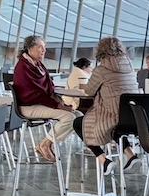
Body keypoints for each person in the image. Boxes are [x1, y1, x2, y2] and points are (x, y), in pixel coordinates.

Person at [12, 34, 76, 163]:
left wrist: (60, 102)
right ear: (30, 48)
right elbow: (36, 94)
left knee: (78, 115)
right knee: (70, 117)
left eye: (44, 47)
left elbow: (49, 86)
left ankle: (46, 143)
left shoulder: (38, 65)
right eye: (40, 47)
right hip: (28, 107)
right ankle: (45, 144)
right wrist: (58, 106)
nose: (44, 50)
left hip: (40, 104)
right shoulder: (23, 67)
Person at [81, 36, 139, 166]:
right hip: (133, 116)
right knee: (114, 127)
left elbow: (89, 91)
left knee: (80, 123)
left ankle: (104, 160)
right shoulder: (130, 68)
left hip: (112, 114)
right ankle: (130, 155)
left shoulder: (101, 70)